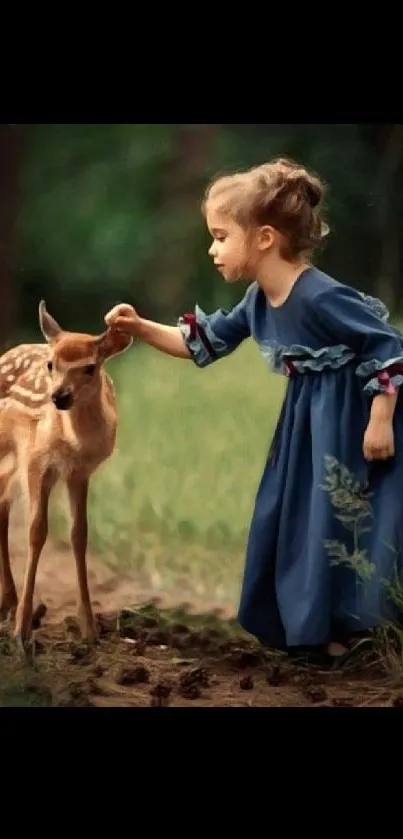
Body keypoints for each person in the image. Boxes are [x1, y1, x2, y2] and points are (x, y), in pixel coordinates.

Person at [105, 157, 403, 667]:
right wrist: (140, 327)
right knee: (294, 520)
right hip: (306, 427)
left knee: (342, 522)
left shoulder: (320, 296)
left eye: (221, 236)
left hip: (352, 423)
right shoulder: (258, 300)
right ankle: (311, 634)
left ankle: (358, 634)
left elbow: (388, 345)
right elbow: (204, 342)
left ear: (264, 238)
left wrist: (380, 419)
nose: (212, 248)